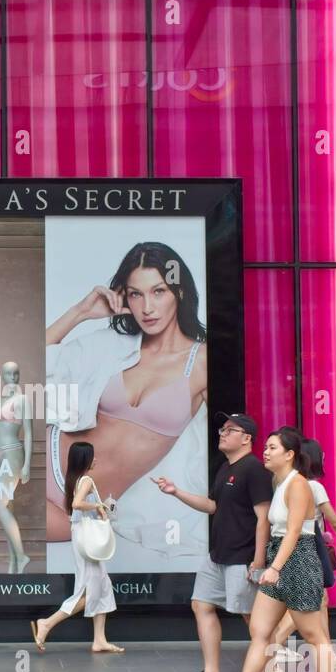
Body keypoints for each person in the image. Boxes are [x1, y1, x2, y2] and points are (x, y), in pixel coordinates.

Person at [45, 242, 208, 570]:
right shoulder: (113, 345)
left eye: (158, 291)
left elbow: (237, 431)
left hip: (82, 509)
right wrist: (80, 313)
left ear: (180, 292)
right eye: (135, 294)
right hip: (38, 460)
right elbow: (32, 364)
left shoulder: (203, 361)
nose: (147, 307)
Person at [205, 427, 336, 672]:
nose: (265, 452)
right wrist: (267, 564)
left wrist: (274, 567)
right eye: (265, 447)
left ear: (290, 454)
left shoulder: (298, 484)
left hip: (298, 560)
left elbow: (294, 532)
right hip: (278, 559)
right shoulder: (279, 483)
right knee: (260, 631)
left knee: (314, 635)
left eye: (272, 448)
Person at [153, 413, 272, 672]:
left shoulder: (254, 469)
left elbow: (263, 518)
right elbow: (212, 506)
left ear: (247, 438)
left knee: (253, 620)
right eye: (222, 428)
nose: (223, 433)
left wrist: (257, 561)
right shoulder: (225, 468)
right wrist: (175, 492)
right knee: (201, 605)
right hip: (218, 555)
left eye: (230, 430)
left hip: (242, 558)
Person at [265, 438, 336, 672]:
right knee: (308, 604)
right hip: (309, 548)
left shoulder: (284, 483)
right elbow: (334, 520)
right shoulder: (312, 486)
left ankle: (326, 654)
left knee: (319, 602)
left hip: (294, 547)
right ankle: (277, 651)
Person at [31, 441, 121, 653]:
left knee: (103, 587)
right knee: (90, 592)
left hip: (82, 537)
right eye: (92, 456)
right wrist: (99, 505)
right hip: (87, 539)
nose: (95, 459)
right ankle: (48, 623)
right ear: (85, 459)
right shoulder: (87, 480)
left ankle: (100, 639)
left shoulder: (76, 480)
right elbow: (76, 504)